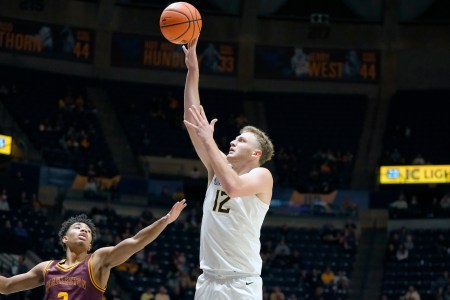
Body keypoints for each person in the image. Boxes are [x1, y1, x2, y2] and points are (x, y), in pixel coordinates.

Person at [182, 37, 275, 300]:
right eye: (235, 137)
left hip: (240, 283)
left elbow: (234, 187)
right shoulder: (217, 167)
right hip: (208, 280)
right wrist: (193, 72)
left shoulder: (262, 176)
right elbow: (192, 118)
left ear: (257, 153)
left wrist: (209, 141)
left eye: (242, 140)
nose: (233, 140)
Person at [0, 200, 187, 299]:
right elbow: (7, 286)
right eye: (78, 227)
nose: (83, 230)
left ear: (90, 245)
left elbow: (136, 241)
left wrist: (165, 220)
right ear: (65, 238)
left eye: (87, 231)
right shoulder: (46, 268)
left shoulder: (97, 260)